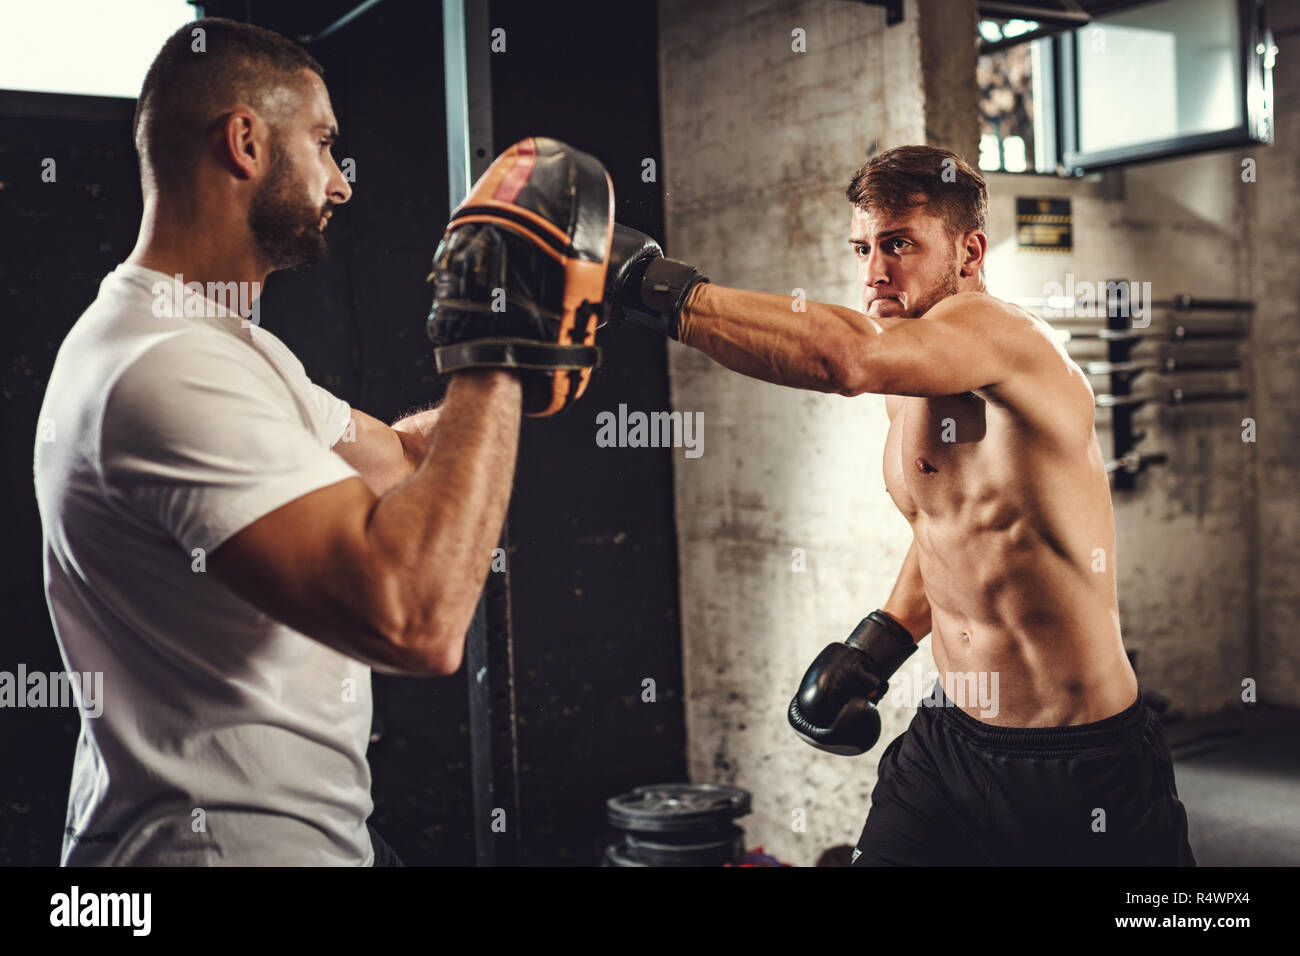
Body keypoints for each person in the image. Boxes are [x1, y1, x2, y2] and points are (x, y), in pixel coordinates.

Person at [34, 17, 610, 865]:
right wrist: (495, 350)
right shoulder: (165, 368)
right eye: (324, 143)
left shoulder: (227, 346)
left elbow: (411, 463)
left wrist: (534, 350)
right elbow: (415, 616)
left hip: (305, 833)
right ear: (245, 142)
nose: (341, 185)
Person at [604, 144, 1195, 866]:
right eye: (862, 247)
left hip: (1079, 760)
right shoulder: (911, 379)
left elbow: (843, 358)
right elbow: (952, 528)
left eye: (898, 245)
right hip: (949, 747)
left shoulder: (1004, 339)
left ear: (969, 251)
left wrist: (648, 288)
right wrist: (877, 646)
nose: (874, 271)